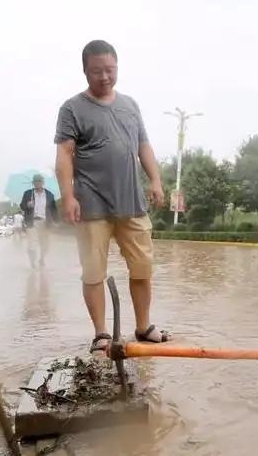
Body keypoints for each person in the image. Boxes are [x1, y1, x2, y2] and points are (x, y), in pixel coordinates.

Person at [54, 39, 171, 354]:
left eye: (109, 70)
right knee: (93, 272)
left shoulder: (130, 105)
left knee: (143, 266)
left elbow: (143, 146)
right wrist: (68, 196)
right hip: (91, 204)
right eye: (96, 71)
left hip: (131, 202)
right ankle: (101, 333)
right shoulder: (72, 108)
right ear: (85, 72)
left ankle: (144, 326)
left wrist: (156, 180)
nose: (104, 77)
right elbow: (65, 154)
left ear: (117, 67)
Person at [20, 174, 58, 269]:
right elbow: (22, 206)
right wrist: (27, 205)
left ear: (43, 182)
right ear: (33, 183)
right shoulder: (28, 194)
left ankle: (41, 259)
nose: (38, 183)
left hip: (45, 222)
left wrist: (56, 221)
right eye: (36, 181)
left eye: (39, 181)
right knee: (32, 244)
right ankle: (33, 263)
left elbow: (54, 209)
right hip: (32, 222)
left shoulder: (49, 195)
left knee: (46, 244)